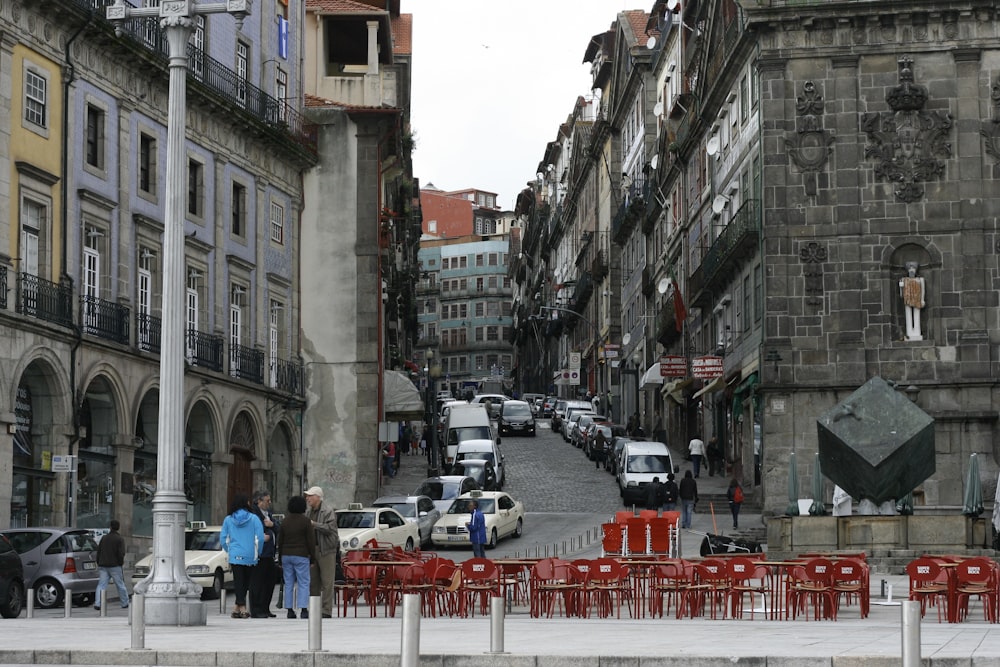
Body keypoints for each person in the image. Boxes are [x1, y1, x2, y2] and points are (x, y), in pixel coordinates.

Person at [221, 493, 265, 619]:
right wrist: (258, 551)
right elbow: (260, 538)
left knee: (238, 581)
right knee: (245, 582)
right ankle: (242, 608)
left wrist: (229, 550)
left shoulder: (228, 519)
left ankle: (238, 607)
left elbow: (223, 538)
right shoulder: (254, 518)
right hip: (250, 554)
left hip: (235, 554)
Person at [278, 495, 316, 619]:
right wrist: (312, 557)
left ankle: (289, 609)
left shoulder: (285, 521)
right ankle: (303, 609)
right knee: (303, 582)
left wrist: (279, 558)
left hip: (286, 555)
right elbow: (311, 540)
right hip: (301, 555)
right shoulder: (305, 521)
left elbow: (280, 541)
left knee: (288, 583)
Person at [304, 485, 338, 618]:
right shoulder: (308, 511)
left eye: (310, 496)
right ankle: (314, 608)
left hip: (326, 550)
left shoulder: (328, 511)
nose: (307, 498)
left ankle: (326, 610)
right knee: (313, 582)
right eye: (307, 496)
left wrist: (314, 524)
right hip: (313, 550)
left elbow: (330, 528)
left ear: (318, 497)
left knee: (327, 582)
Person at [249, 490, 279, 618]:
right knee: (257, 582)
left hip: (269, 553)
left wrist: (273, 525)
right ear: (259, 501)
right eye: (267, 500)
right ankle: (256, 609)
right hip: (258, 553)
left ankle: (265, 607)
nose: (269, 503)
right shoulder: (253, 514)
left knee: (269, 581)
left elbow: (278, 527)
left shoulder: (269, 514)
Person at [94, 519, 129, 610]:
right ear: (118, 528)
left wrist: (98, 562)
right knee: (120, 585)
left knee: (101, 585)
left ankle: (98, 603)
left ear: (110, 527)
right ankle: (124, 603)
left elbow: (99, 551)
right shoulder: (119, 539)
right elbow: (121, 553)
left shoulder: (104, 538)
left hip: (103, 565)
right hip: (115, 565)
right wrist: (120, 563)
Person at [898, 261, 924, 341]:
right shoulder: (904, 279)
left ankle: (917, 332)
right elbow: (901, 295)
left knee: (917, 315)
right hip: (908, 298)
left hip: (917, 298)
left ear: (916, 270)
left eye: (913, 268)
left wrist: (922, 299)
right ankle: (909, 333)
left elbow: (923, 290)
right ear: (908, 270)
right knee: (908, 315)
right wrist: (901, 287)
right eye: (910, 268)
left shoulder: (920, 279)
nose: (911, 270)